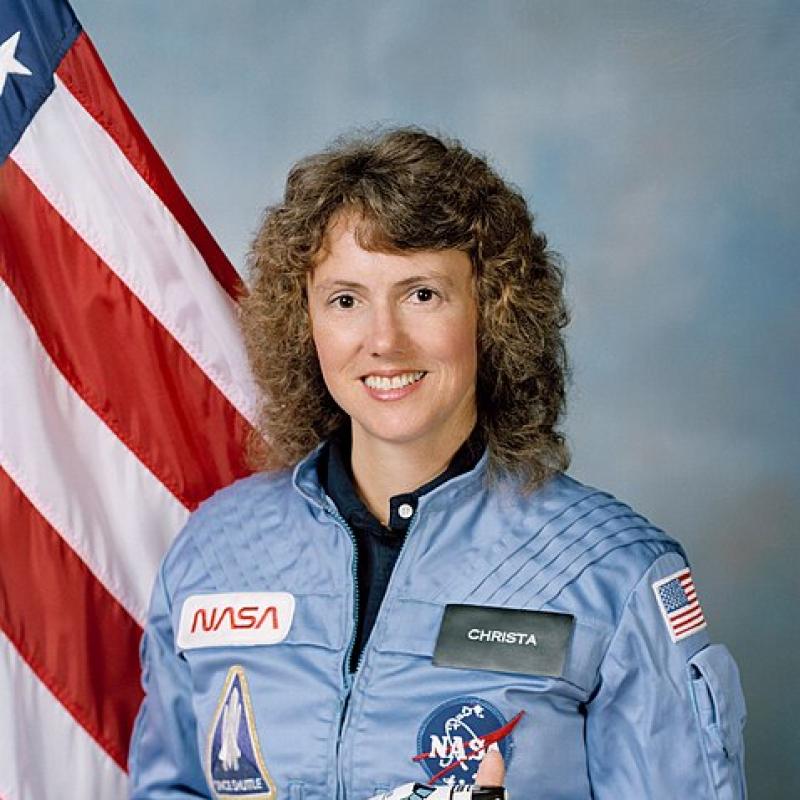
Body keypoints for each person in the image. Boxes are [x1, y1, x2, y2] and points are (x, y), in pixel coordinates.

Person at [128, 127, 747, 799]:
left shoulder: (609, 573)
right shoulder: (218, 550)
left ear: (493, 313)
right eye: (345, 300)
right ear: (304, 324)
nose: (383, 341)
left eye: (422, 294)